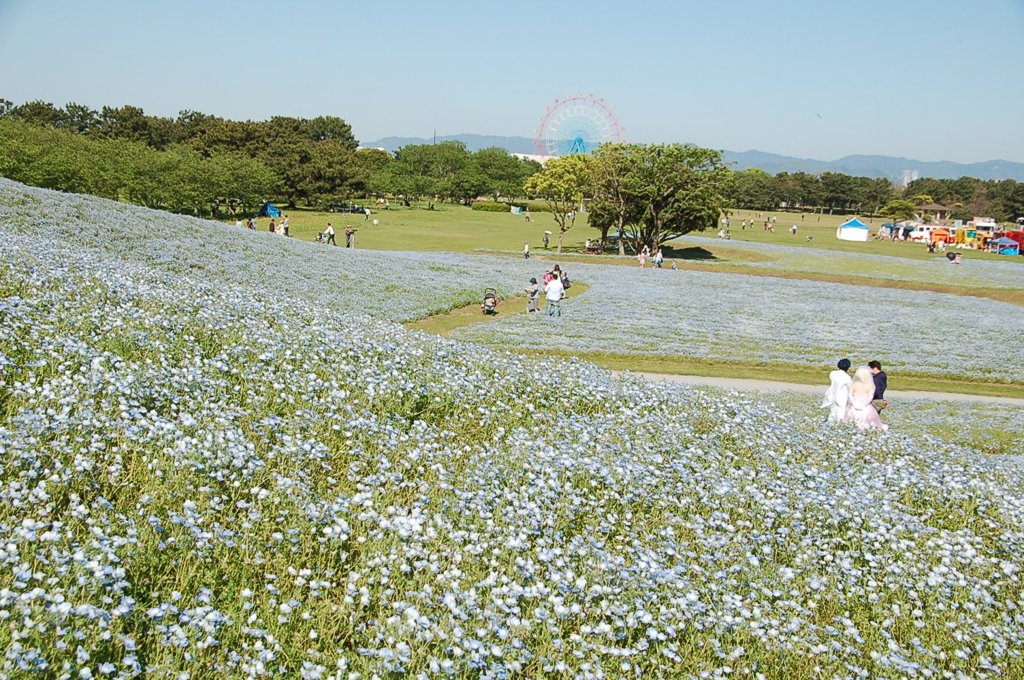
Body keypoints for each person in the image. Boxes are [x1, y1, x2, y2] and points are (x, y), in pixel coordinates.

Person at [845, 366, 888, 431]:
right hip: (865, 406)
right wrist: (863, 404)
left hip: (854, 405)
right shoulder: (870, 385)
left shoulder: (854, 384)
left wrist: (854, 404)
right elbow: (870, 397)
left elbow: (849, 395)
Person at [821, 358, 852, 423]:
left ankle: (830, 421)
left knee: (833, 409)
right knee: (841, 410)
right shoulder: (847, 377)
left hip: (833, 393)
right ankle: (839, 423)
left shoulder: (833, 373)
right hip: (842, 395)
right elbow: (850, 387)